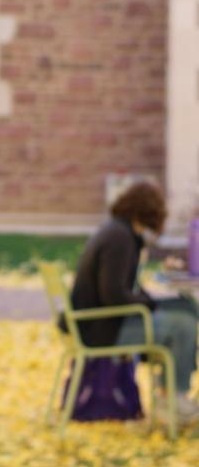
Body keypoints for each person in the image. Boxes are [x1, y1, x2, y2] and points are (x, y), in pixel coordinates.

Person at [68, 181, 199, 424]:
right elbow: (114, 294)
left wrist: (149, 301)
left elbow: (123, 289)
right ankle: (174, 397)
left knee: (187, 308)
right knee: (183, 324)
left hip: (101, 322)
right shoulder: (120, 238)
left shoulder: (118, 231)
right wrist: (148, 304)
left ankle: (170, 392)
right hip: (103, 329)